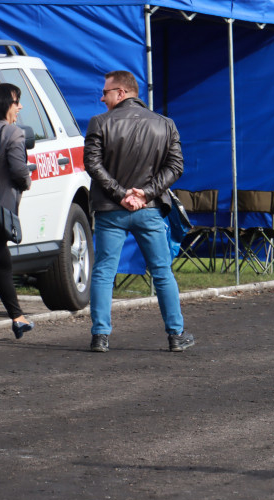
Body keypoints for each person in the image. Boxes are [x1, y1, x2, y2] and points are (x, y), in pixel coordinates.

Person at [84, 70, 194, 352]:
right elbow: (176, 167)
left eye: (106, 92)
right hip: (149, 209)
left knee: (104, 272)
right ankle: (176, 335)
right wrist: (146, 193)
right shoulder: (165, 124)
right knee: (162, 271)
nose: (102, 97)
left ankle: (100, 336)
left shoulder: (100, 123)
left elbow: (93, 166)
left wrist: (122, 195)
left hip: (111, 209)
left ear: (121, 93)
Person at [0, 83, 33, 339]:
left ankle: (18, 317)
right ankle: (17, 318)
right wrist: (27, 183)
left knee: (1, 261)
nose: (19, 106)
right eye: (16, 101)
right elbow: (20, 172)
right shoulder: (13, 134)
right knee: (1, 261)